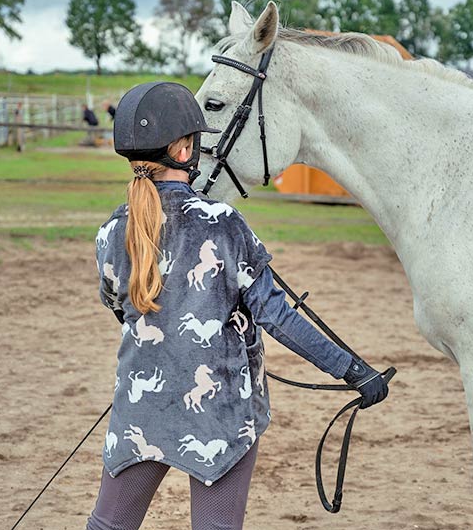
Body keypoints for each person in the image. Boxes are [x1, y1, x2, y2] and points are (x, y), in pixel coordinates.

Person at [89, 82, 388, 530]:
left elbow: (119, 304)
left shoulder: (113, 230)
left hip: (140, 404)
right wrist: (353, 371)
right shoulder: (223, 223)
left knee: (108, 526)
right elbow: (277, 315)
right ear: (184, 148)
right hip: (220, 412)